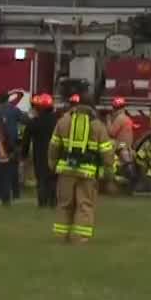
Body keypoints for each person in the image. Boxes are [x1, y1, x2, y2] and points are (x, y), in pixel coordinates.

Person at [48, 80, 116, 244]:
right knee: (84, 205)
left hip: (65, 171)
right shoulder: (98, 126)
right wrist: (109, 172)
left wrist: (53, 164)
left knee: (64, 204)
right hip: (88, 172)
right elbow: (106, 151)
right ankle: (81, 238)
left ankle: (60, 237)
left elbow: (54, 147)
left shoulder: (63, 122)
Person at [23, 92, 59, 208]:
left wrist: (23, 154)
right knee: (53, 179)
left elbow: (26, 140)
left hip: (40, 155)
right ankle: (53, 202)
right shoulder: (57, 121)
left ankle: (42, 202)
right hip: (56, 153)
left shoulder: (34, 122)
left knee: (42, 179)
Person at [105, 97, 137, 195]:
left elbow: (111, 133)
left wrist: (108, 120)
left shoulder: (119, 118)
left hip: (120, 147)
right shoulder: (127, 118)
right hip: (128, 147)